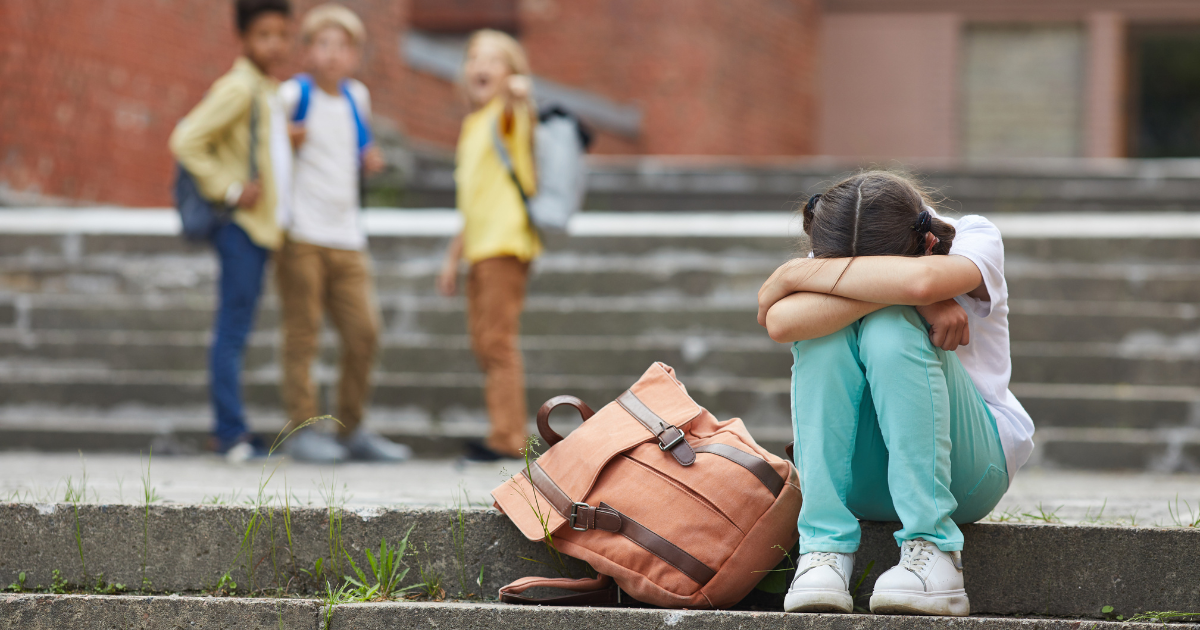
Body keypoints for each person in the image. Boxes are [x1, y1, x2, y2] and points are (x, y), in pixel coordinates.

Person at [757, 171, 1035, 617]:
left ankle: (935, 549)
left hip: (968, 471)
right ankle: (823, 551)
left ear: (927, 244)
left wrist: (799, 274)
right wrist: (906, 292)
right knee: (820, 337)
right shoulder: (839, 242)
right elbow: (781, 323)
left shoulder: (974, 237)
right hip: (865, 480)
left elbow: (922, 283)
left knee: (890, 326)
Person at [273, 4, 409, 463]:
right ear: (307, 50)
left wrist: (368, 159)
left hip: (348, 236)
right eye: (323, 44)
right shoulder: (293, 95)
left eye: (342, 46)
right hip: (302, 235)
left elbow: (357, 146)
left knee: (364, 333)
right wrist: (283, 142)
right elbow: (269, 153)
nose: (332, 54)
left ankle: (352, 428)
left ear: (355, 55)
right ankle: (304, 428)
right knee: (303, 333)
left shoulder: (358, 97)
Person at [170, 0, 293, 463]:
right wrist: (231, 188)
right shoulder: (239, 87)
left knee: (237, 327)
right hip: (240, 228)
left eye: (282, 34)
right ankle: (229, 432)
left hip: (261, 230)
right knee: (233, 329)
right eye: (264, 35)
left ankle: (232, 427)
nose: (275, 44)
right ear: (242, 38)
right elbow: (185, 139)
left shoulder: (265, 87)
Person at [436, 30, 539, 462]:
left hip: (505, 244)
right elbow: (472, 200)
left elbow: (521, 109)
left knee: (497, 342)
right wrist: (453, 257)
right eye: (474, 57)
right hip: (479, 247)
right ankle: (504, 430)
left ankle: (507, 437)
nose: (481, 65)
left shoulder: (505, 116)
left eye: (494, 60)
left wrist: (518, 92)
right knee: (485, 343)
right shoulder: (473, 124)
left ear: (510, 72)